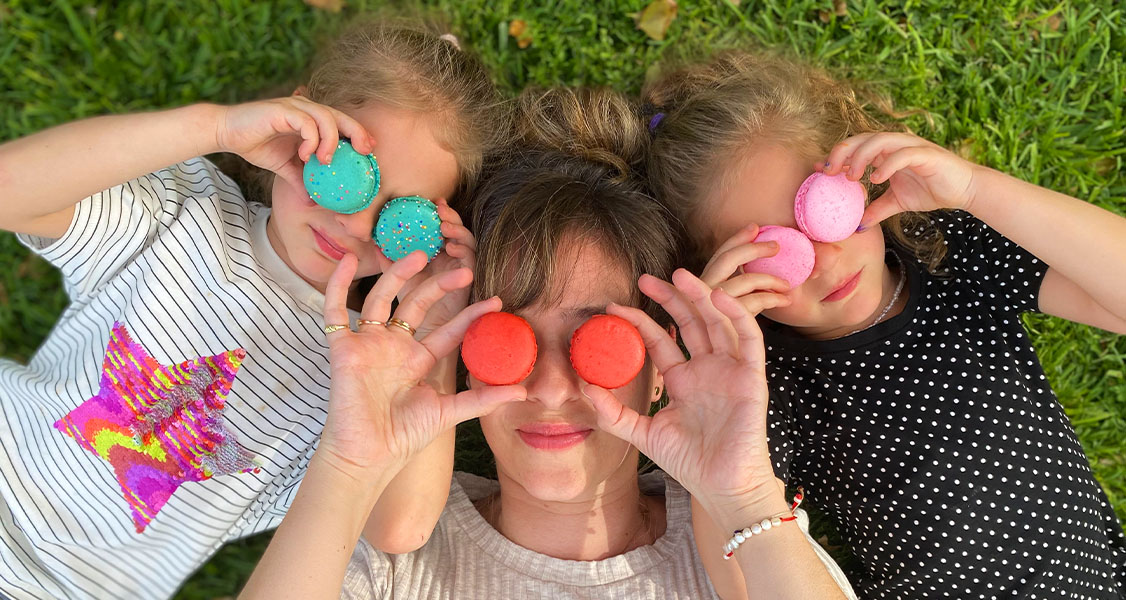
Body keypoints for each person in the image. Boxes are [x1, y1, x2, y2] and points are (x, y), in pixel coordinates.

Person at [239, 87, 857, 599]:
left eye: (602, 342)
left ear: (665, 360)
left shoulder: (749, 553)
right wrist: (348, 467)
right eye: (506, 340)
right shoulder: (389, 568)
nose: (551, 390)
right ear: (461, 355)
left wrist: (745, 498)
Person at [0, 19, 506, 600]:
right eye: (345, 176)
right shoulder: (183, 209)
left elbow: (400, 527)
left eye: (399, 217)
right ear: (298, 129)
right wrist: (212, 126)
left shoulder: (369, 372)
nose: (354, 224)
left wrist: (432, 338)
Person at [641, 49, 1126, 598]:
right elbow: (738, 583)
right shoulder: (763, 388)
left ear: (857, 180)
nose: (822, 261)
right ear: (718, 278)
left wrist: (975, 190)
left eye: (819, 212)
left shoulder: (947, 253)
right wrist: (720, 374)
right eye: (770, 254)